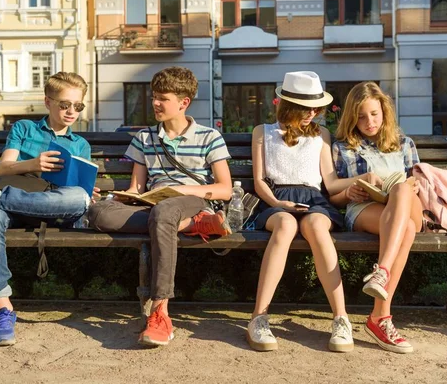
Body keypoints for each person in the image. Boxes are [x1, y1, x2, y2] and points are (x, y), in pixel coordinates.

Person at [0, 72, 100, 346]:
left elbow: (79, 191)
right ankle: (4, 310)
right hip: (17, 199)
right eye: (64, 104)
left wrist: (87, 191)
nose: (71, 111)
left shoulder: (80, 144)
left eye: (78, 106)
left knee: (79, 199)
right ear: (48, 102)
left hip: (53, 206)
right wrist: (34, 164)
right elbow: (3, 168)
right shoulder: (24, 129)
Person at [87, 66, 233, 347]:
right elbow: (137, 187)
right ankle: (197, 226)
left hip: (191, 200)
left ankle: (160, 311)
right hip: (154, 206)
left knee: (164, 212)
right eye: (154, 96)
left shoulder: (208, 137)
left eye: (162, 98)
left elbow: (224, 189)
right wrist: (125, 197)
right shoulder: (145, 138)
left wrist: (180, 189)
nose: (155, 103)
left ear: (183, 102)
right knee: (98, 212)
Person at [247, 71, 373, 353]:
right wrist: (279, 205)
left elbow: (329, 182)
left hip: (315, 200)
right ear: (288, 104)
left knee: (317, 227)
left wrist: (365, 179)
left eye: (317, 108)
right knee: (286, 226)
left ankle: (341, 318)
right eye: (307, 108)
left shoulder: (321, 134)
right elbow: (258, 181)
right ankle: (259, 318)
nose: (313, 113)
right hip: (276, 199)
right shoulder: (263, 132)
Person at [331, 81, 422, 354]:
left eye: (374, 114)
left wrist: (409, 188)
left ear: (384, 112)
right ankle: (380, 318)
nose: (368, 121)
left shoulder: (404, 143)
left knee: (402, 189)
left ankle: (380, 272)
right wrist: (350, 191)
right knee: (403, 227)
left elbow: (417, 184)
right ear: (351, 117)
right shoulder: (343, 148)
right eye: (360, 116)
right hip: (366, 210)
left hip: (408, 206)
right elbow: (333, 197)